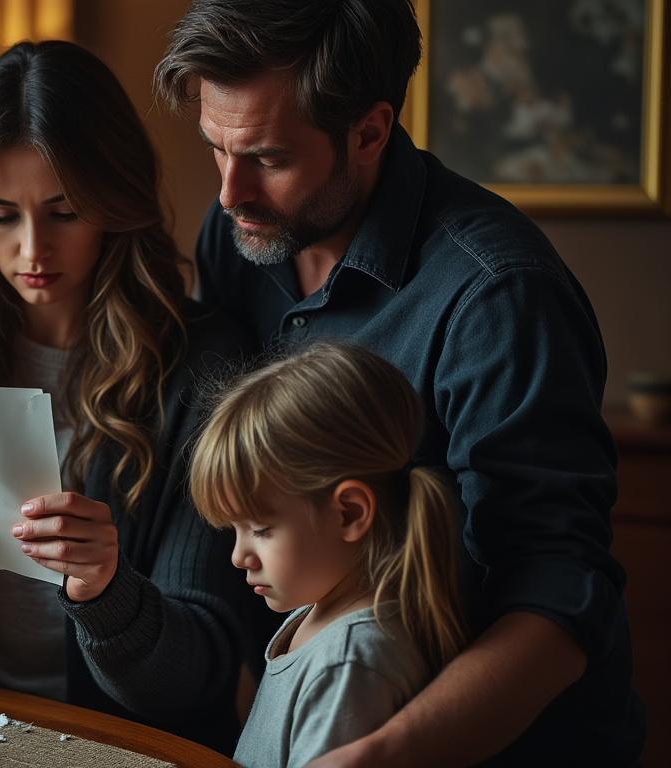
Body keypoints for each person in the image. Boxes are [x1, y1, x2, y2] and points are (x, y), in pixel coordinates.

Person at [154, 0, 642, 764]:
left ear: (371, 131)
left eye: (269, 158)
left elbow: (561, 594)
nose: (228, 193)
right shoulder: (238, 236)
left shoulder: (500, 295)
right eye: (217, 148)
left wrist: (382, 756)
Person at [0, 40, 273, 751]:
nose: (33, 251)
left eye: (63, 213)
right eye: (2, 215)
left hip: (119, 741)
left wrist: (104, 586)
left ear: (113, 203)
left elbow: (201, 671)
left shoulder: (199, 360)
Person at [189, 341, 467, 767]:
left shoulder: (349, 662)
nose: (239, 556)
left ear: (350, 513)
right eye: (234, 530)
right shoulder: (316, 614)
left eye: (260, 529)